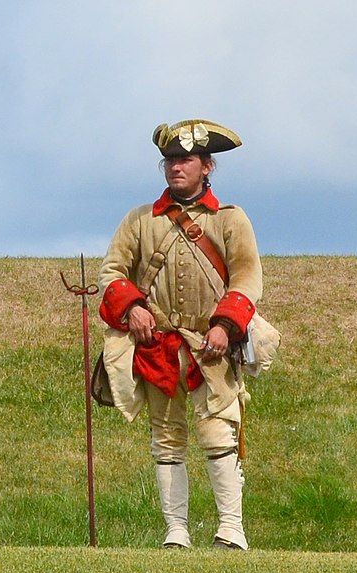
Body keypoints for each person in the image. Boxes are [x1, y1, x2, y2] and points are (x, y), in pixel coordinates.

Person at [98, 119, 262, 549]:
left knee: (218, 432)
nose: (175, 167)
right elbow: (112, 273)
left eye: (185, 159)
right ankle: (176, 531)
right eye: (169, 160)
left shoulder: (230, 220)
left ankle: (232, 529)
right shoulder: (139, 221)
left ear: (207, 166)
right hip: (160, 345)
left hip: (212, 346)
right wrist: (132, 307)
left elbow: (246, 279)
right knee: (166, 438)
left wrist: (226, 326)